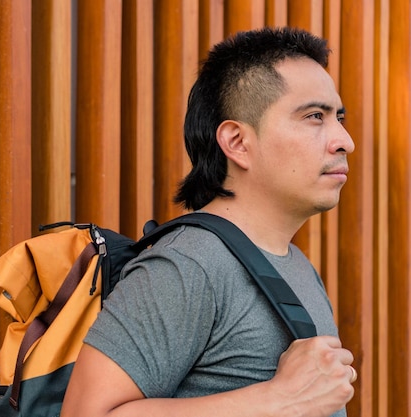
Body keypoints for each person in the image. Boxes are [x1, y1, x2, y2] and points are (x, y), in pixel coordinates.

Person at [61, 26, 356, 417]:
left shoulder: (295, 265)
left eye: (339, 117)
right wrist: (278, 400)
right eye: (314, 116)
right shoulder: (187, 266)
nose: (344, 140)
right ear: (236, 142)